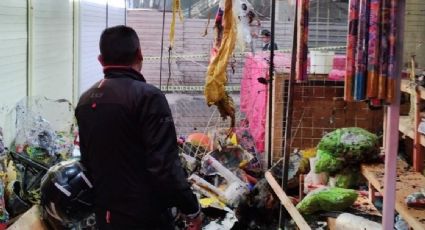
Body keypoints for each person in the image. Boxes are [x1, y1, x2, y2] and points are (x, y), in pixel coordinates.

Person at [75, 25, 202, 230]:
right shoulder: (148, 97)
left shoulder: (85, 100)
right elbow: (164, 167)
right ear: (139, 54)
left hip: (105, 217)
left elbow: (87, 163)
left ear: (101, 60)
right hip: (145, 218)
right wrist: (191, 208)